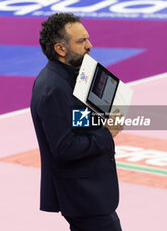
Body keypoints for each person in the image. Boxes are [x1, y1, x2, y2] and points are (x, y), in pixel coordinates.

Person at [30, 13, 123, 231]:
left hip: (90, 193)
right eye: (81, 41)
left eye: (87, 38)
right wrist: (107, 133)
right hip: (83, 196)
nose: (89, 45)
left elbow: (75, 121)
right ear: (60, 49)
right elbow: (64, 147)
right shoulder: (54, 89)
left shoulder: (72, 74)